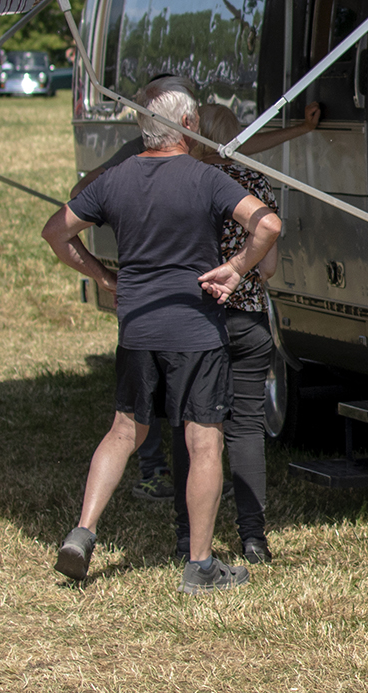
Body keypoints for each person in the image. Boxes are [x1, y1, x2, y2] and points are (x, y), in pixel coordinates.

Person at [41, 80, 281, 594]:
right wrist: (237, 269)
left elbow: (55, 233)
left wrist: (104, 276)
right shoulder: (205, 178)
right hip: (196, 329)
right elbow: (269, 226)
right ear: (189, 127)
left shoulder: (116, 178)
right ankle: (200, 564)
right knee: (204, 439)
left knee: (123, 431)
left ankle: (83, 532)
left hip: (138, 327)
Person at [178, 102, 312, 564]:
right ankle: (253, 538)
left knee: (195, 428)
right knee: (247, 429)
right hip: (249, 318)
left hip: (198, 321)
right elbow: (269, 264)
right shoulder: (255, 186)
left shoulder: (188, 184)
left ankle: (187, 537)